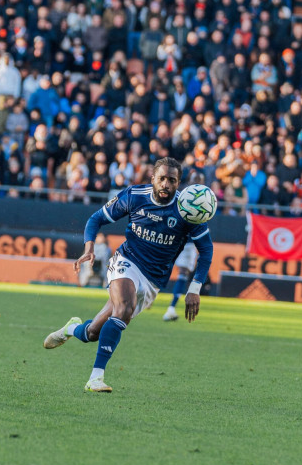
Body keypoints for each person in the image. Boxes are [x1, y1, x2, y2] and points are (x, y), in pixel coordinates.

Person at [43, 157, 214, 392]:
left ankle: (71, 329)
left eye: (172, 181)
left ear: (178, 184)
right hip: (126, 261)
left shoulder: (187, 211)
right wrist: (89, 247)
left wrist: (194, 289)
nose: (166, 184)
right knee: (123, 309)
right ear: (152, 178)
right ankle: (95, 378)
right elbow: (96, 219)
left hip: (153, 281)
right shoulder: (135, 195)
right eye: (161, 178)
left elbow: (206, 251)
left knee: (93, 333)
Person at [163, 171, 206, 322]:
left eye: (200, 180)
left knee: (183, 273)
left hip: (187, 242)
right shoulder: (182, 195)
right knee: (178, 271)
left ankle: (171, 307)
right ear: (190, 180)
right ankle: (168, 307)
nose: (198, 182)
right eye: (196, 179)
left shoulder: (203, 197)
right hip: (178, 240)